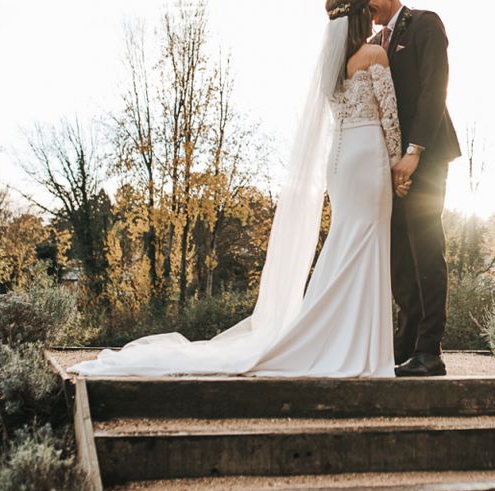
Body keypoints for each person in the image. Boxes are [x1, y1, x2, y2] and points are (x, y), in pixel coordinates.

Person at [68, 0, 406, 379]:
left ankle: (336, 337)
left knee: (346, 244)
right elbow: (390, 118)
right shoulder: (374, 54)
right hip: (367, 157)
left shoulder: (329, 67)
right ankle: (356, 344)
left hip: (340, 163)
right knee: (366, 243)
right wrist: (399, 165)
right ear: (361, 16)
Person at [369, 0, 461, 377]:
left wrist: (414, 152)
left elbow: (433, 90)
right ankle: (405, 344)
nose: (366, 7)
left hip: (426, 157)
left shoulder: (424, 24)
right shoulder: (376, 41)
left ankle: (429, 350)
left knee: (425, 249)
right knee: (399, 256)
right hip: (389, 165)